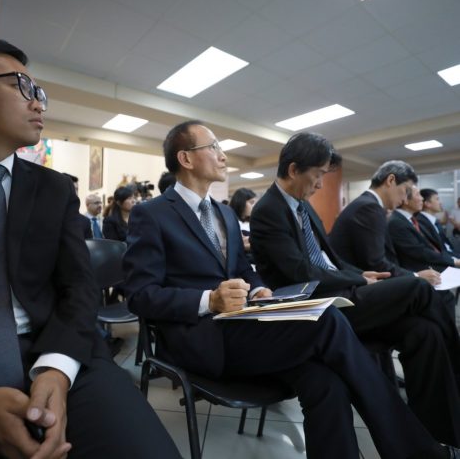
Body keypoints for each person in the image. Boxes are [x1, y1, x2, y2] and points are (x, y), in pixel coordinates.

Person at [124, 120, 460, 459]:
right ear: (185, 158)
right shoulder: (151, 214)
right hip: (200, 338)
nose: (223, 155)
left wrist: (258, 290)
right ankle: (417, 451)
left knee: (326, 382)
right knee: (327, 319)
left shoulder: (224, 214)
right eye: (213, 147)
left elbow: (243, 271)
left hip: (244, 326)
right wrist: (209, 300)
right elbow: (139, 295)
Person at [0, 35, 180, 459]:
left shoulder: (54, 188)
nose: (38, 103)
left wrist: (57, 368)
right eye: (21, 86)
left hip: (55, 348)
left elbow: (79, 287)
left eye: (39, 92)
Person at [250, 132, 460, 449]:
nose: (321, 184)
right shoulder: (269, 209)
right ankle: (458, 369)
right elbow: (300, 271)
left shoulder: (303, 207)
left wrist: (359, 273)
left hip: (343, 291)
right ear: (294, 170)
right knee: (419, 288)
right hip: (319, 306)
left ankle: (442, 435)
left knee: (424, 331)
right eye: (318, 174)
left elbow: (331, 260)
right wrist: (360, 281)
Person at [329, 160, 445, 283]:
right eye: (406, 191)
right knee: (426, 287)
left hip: (357, 279)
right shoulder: (369, 208)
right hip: (358, 284)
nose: (405, 199)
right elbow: (375, 264)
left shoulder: (366, 204)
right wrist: (416, 276)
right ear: (391, 180)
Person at [388, 186, 460, 272]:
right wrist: (453, 261)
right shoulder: (397, 222)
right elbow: (418, 251)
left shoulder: (411, 220)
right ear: (406, 199)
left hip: (435, 264)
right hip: (422, 271)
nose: (422, 198)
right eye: (418, 194)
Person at [418, 189, 460, 256]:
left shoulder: (434, 221)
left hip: (450, 255)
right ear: (427, 204)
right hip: (444, 258)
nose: (441, 202)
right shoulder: (420, 223)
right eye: (437, 199)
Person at [229, 188, 257, 259]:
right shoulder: (231, 222)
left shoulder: (251, 222)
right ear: (241, 202)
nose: (254, 206)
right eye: (251, 202)